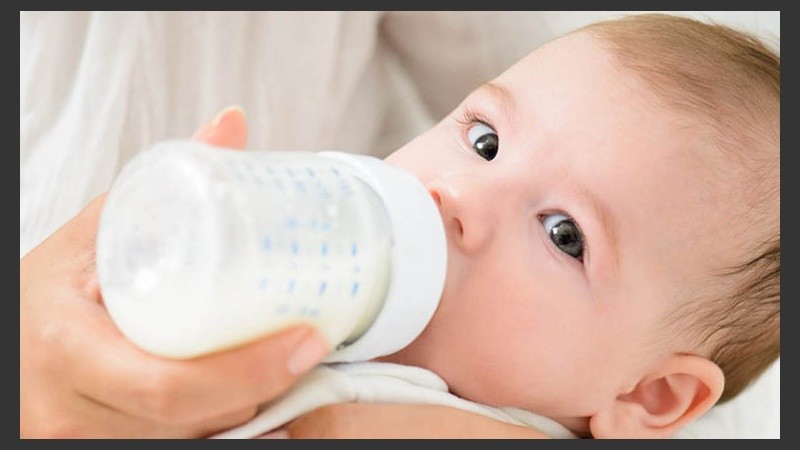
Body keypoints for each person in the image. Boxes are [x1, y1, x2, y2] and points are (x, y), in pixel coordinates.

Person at [19, 13, 780, 439]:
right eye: (483, 139)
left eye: (564, 234)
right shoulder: (293, 290)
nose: (457, 197)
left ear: (651, 397)